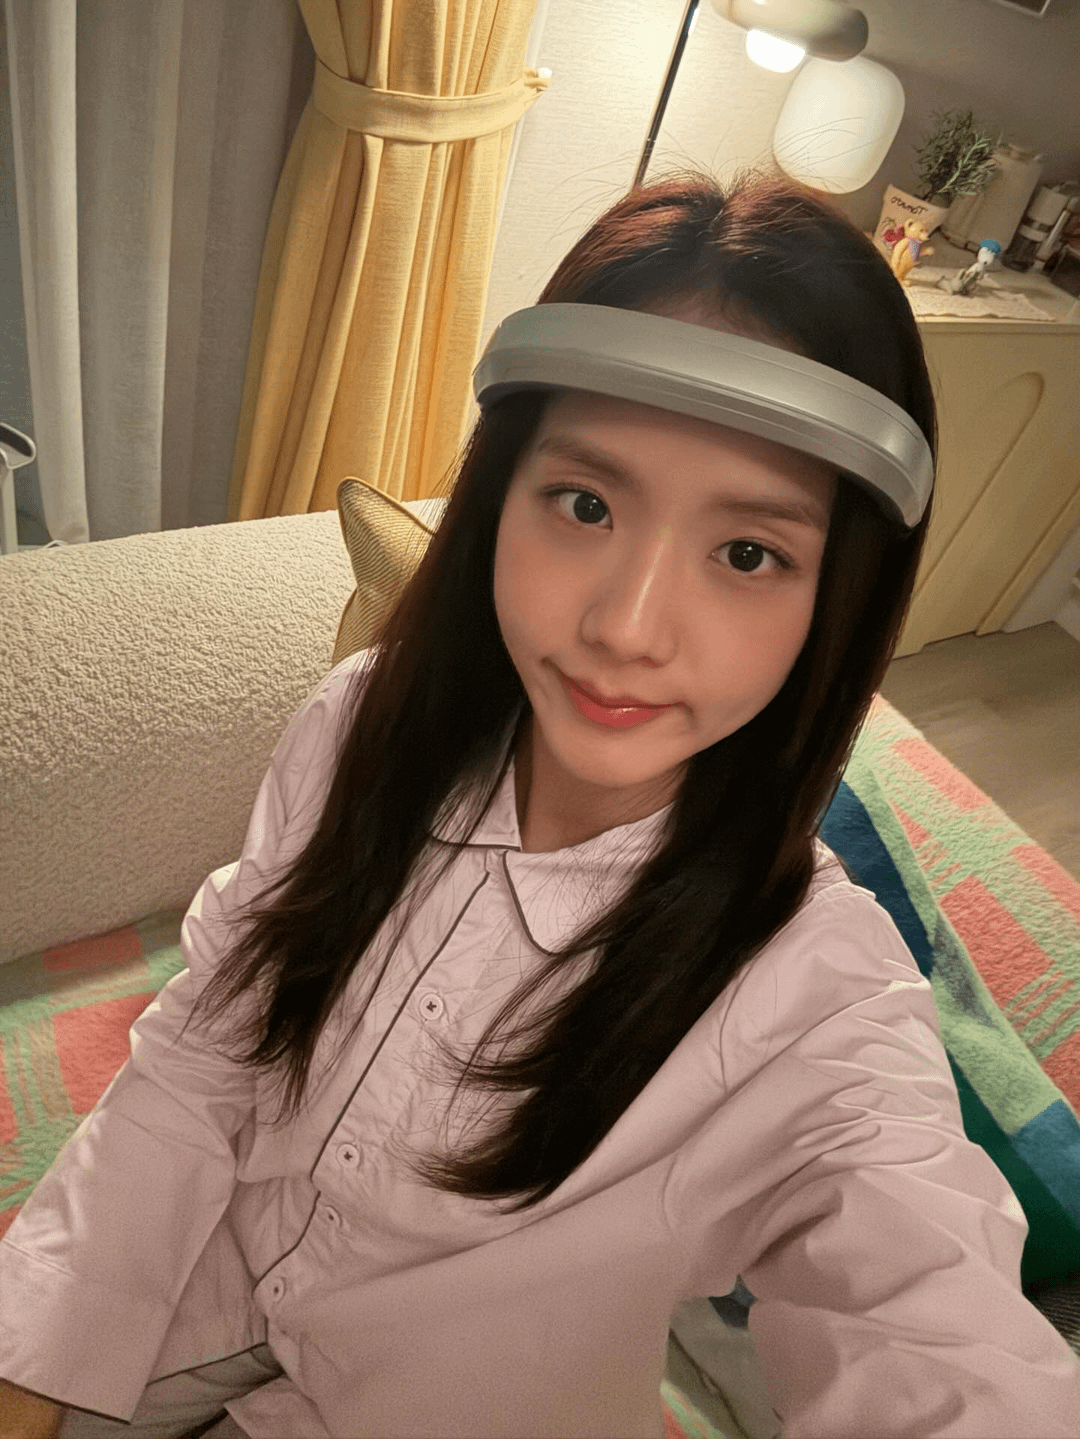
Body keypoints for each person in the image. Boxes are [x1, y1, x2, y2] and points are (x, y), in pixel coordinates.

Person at [1, 172, 1078, 1439]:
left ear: (832, 598)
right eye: (587, 503)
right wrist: (39, 1349)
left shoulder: (819, 1000)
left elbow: (934, 1327)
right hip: (194, 1273)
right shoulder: (360, 726)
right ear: (500, 493)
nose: (626, 627)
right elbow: (209, 1040)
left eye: (748, 552)